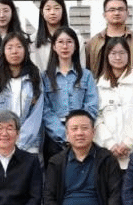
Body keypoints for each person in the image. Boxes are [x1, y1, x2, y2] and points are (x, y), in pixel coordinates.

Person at [94, 36, 133, 167]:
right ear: (107, 56)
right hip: (108, 152)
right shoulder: (99, 85)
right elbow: (97, 118)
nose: (118, 57)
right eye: (113, 53)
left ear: (128, 55)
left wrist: (128, 143)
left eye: (122, 53)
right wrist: (110, 144)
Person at [0, 32, 44, 155]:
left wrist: (19, 142)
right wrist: (0, 138)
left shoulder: (34, 76)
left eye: (19, 47)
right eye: (9, 47)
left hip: (27, 146)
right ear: (3, 51)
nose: (14, 51)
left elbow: (36, 113)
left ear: (25, 50)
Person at [42, 27, 99, 160]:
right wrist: (64, 134)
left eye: (69, 42)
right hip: (54, 138)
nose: (65, 46)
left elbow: (92, 105)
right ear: (54, 47)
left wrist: (78, 130)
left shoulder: (86, 75)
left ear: (75, 46)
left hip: (81, 134)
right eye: (60, 42)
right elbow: (45, 110)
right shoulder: (45, 77)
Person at [85, 0, 133, 80]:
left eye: (120, 9)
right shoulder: (94, 42)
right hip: (101, 87)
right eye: (112, 10)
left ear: (127, 13)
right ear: (104, 14)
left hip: (132, 86)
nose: (116, 13)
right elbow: (88, 70)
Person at [32, 0, 81, 70]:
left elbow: (81, 67)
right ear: (42, 12)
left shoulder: (76, 37)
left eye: (57, 8)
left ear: (63, 10)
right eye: (48, 9)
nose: (52, 12)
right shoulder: (33, 40)